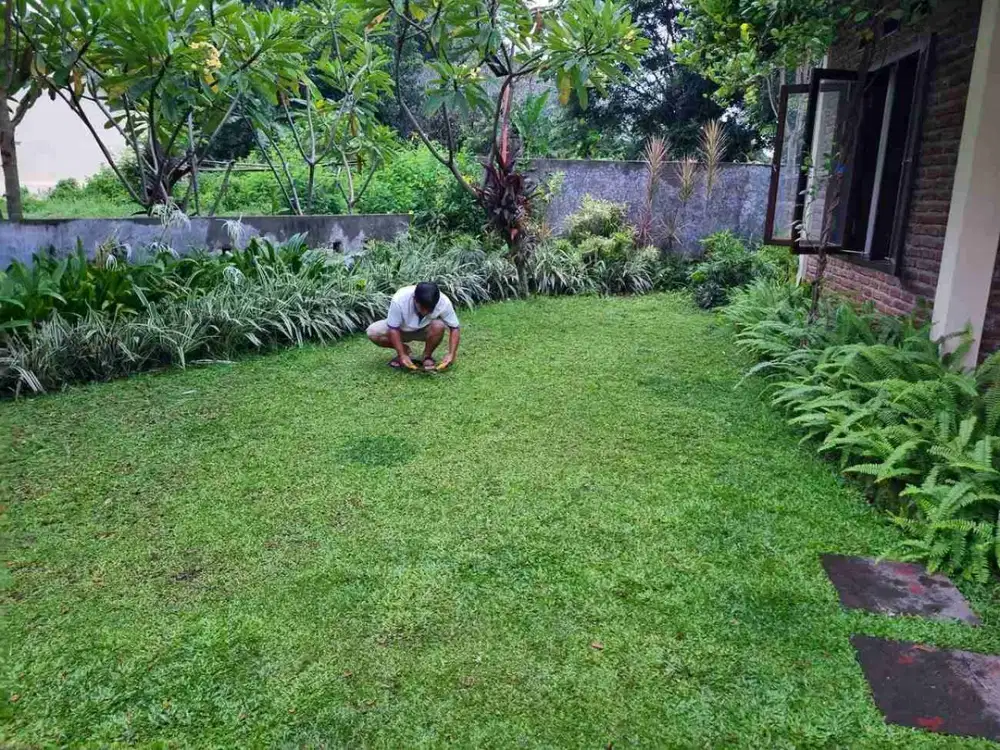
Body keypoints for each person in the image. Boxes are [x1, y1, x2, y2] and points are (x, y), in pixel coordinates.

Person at [366, 281, 461, 370]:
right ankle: (404, 351)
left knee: (439, 325)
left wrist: (451, 354)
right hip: (400, 330)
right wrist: (401, 354)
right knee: (373, 332)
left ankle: (427, 356)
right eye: (423, 308)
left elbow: (455, 328)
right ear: (414, 299)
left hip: (425, 329)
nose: (425, 312)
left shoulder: (444, 302)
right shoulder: (399, 299)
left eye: (430, 309)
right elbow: (393, 329)